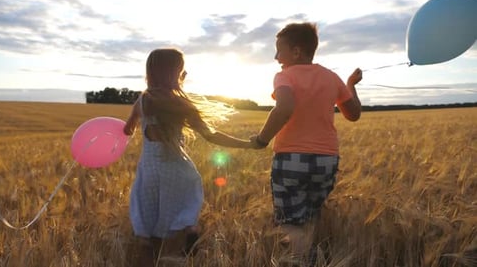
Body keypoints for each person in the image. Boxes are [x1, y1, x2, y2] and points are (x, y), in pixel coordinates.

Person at [124, 48, 252, 266]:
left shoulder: (143, 101)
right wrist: (247, 144)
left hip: (151, 172)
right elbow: (212, 136)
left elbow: (128, 130)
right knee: (179, 220)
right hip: (178, 172)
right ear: (176, 72)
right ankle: (187, 238)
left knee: (147, 229)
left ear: (151, 71)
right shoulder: (181, 104)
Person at [250, 22, 363, 265]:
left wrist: (262, 139)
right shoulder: (331, 77)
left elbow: (285, 107)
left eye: (279, 50)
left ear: (296, 52)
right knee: (310, 217)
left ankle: (302, 262)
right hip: (326, 160)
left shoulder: (284, 76)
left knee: (292, 223)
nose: (276, 57)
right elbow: (353, 114)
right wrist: (350, 85)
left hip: (291, 159)